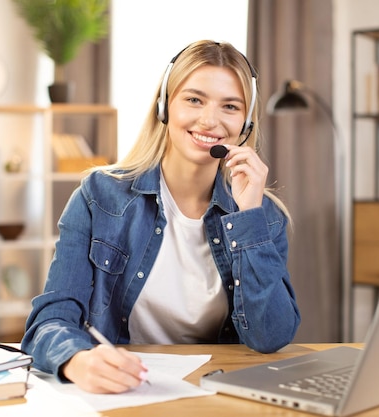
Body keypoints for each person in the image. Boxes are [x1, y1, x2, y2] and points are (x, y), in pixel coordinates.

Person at [21, 40, 301, 393]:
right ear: (164, 106)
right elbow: (49, 320)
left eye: (230, 106)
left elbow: (270, 336)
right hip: (122, 390)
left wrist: (249, 219)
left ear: (245, 124)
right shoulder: (100, 195)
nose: (210, 120)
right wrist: (77, 360)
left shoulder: (263, 216)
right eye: (194, 99)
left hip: (213, 390)